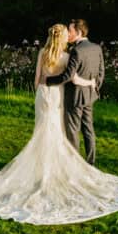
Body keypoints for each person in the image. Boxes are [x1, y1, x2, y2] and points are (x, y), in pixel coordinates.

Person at [0, 23, 118, 225]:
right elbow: (69, 78)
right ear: (61, 38)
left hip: (42, 94)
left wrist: (42, 89)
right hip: (58, 95)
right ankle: (65, 167)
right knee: (59, 132)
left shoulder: (43, 52)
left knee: (41, 131)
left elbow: (37, 79)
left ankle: (41, 168)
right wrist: (89, 84)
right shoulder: (67, 56)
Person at [44, 18, 102, 164]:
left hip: (74, 97)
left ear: (79, 32)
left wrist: (48, 81)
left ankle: (75, 165)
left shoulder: (76, 50)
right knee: (89, 130)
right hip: (90, 96)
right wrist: (93, 87)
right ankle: (91, 163)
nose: (68, 34)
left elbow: (68, 76)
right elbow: (101, 74)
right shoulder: (97, 48)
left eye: (70, 31)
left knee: (73, 131)